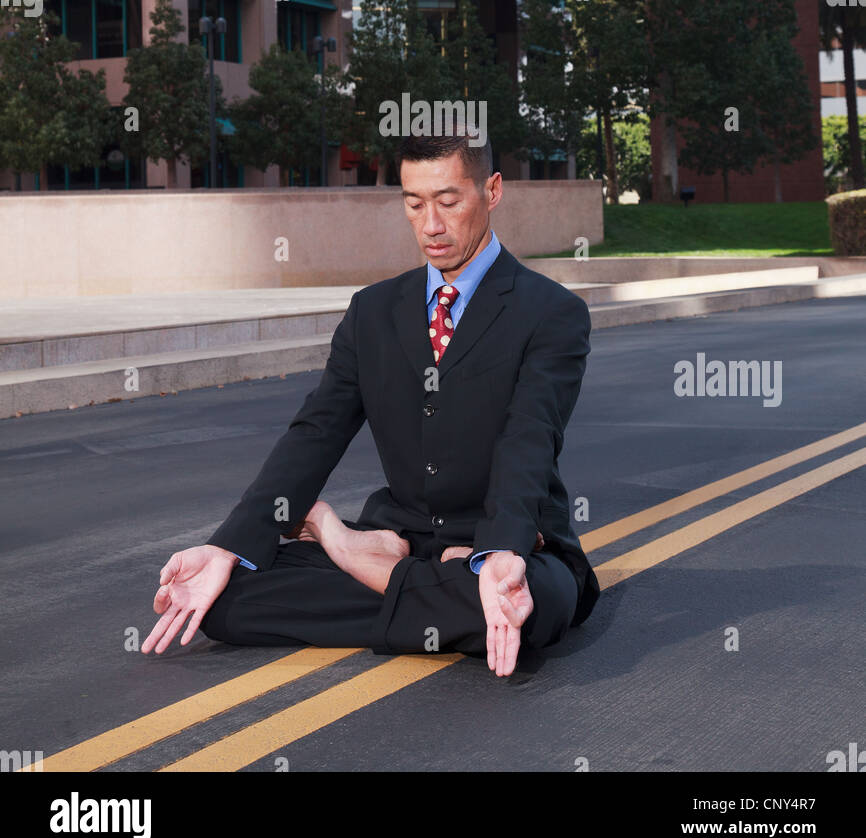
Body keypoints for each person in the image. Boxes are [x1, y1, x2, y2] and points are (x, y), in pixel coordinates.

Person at [142, 134, 599, 677]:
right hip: (404, 538)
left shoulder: (551, 312)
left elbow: (531, 435)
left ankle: (352, 551)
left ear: (492, 190)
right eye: (413, 203)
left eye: (449, 202)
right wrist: (228, 546)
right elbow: (317, 431)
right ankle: (430, 592)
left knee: (525, 608)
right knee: (222, 597)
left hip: (516, 543)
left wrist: (495, 552)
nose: (431, 225)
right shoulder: (373, 311)